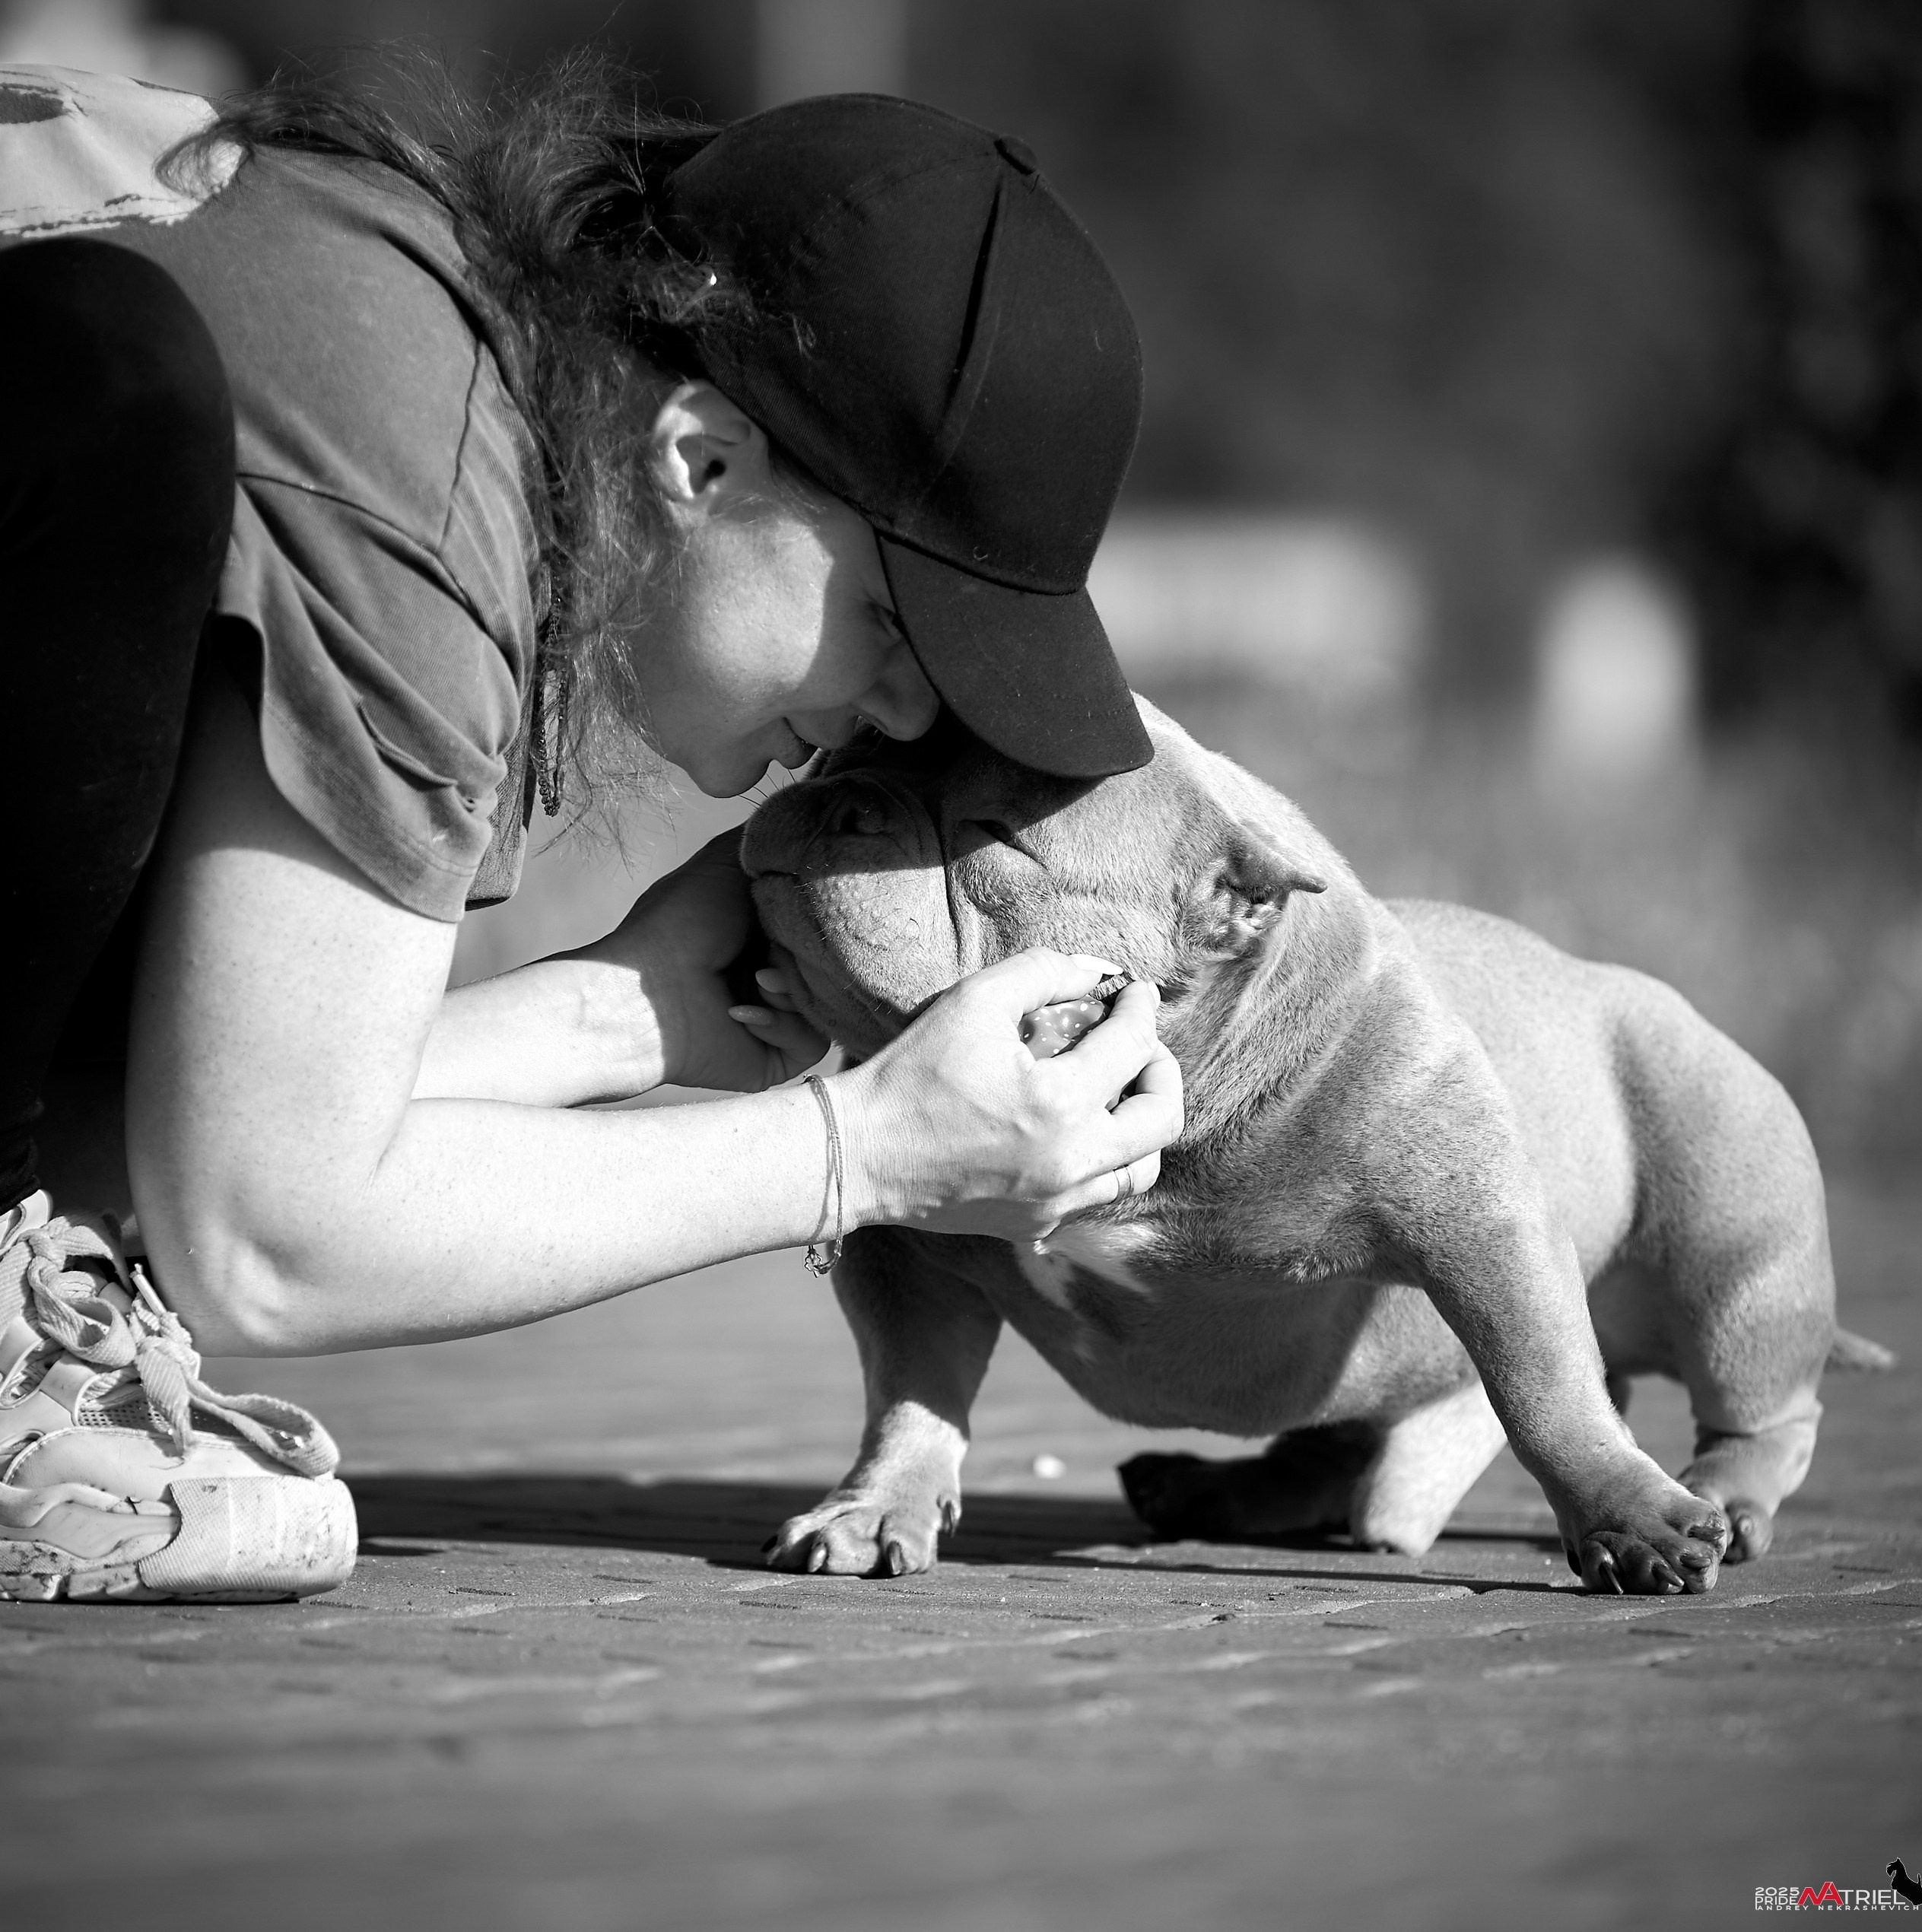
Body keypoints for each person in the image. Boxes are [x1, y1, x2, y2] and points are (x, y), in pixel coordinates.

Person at [0, 57, 1183, 1603]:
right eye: (899, 627)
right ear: (700, 460)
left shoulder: (435, 348)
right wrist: (870, 1149)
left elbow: (145, 1157)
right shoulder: (416, 460)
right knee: (114, 379)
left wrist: (620, 1015)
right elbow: (263, 1241)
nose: (904, 719)